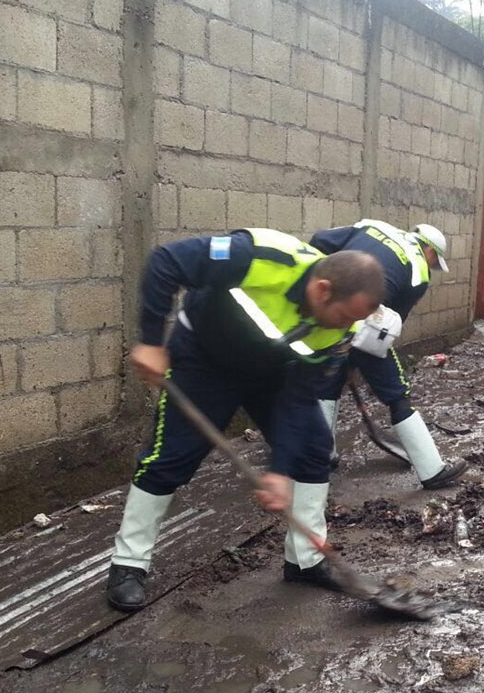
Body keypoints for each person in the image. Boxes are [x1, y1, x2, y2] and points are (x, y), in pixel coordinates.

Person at [106, 229, 386, 611]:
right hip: (205, 360)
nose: (345, 326)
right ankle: (128, 564)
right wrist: (152, 341)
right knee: (170, 456)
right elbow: (166, 261)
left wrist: (280, 471)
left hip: (274, 373)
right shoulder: (262, 258)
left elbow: (299, 399)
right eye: (343, 315)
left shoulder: (341, 329)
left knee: (313, 450)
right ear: (323, 290)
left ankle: (306, 561)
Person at [308, 219, 467, 490]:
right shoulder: (418, 271)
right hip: (366, 320)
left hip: (328, 309)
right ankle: (432, 470)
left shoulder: (371, 227)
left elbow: (319, 239)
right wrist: (361, 351)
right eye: (435, 261)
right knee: (397, 393)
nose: (432, 266)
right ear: (429, 250)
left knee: (328, 384)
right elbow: (391, 324)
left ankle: (322, 455)